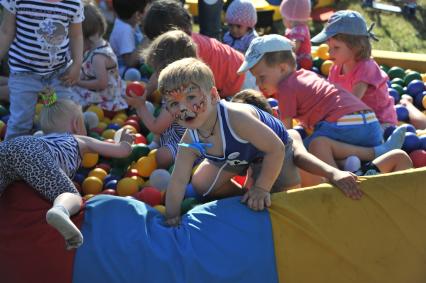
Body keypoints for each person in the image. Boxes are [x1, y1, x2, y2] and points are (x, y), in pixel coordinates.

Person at [159, 58, 302, 226]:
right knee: (203, 185)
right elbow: (178, 180)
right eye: (174, 103)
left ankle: (260, 187)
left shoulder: (236, 119)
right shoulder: (190, 141)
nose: (183, 109)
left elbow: (275, 149)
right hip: (236, 154)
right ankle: (242, 196)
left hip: (270, 151)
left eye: (191, 97)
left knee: (277, 201)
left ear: (213, 96)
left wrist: (262, 188)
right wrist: (171, 217)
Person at [237, 34, 406, 167]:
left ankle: (351, 169)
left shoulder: (286, 88)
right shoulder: (308, 75)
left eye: (261, 77)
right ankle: (349, 164)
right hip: (371, 125)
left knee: (309, 148)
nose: (259, 85)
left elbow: (285, 134)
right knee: (317, 139)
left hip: (347, 124)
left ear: (282, 68)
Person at [0, 90, 134, 250]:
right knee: (72, 196)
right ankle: (60, 210)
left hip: (10, 146)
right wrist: (125, 142)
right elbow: (121, 151)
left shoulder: (42, 138)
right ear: (77, 124)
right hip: (33, 155)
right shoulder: (79, 139)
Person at [0, 0, 84, 139]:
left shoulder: (73, 3)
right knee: (21, 122)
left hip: (58, 74)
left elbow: (76, 35)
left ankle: (61, 155)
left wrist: (77, 63)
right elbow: (6, 31)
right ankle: (11, 157)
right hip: (24, 73)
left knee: (64, 119)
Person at [142, 0, 253, 98]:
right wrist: (145, 93)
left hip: (241, 79)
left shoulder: (185, 50)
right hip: (238, 72)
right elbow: (160, 72)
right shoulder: (181, 42)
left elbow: (185, 91)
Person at [311, 10, 397, 129]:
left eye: (336, 47)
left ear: (356, 47)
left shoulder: (366, 67)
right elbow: (329, 96)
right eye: (329, 47)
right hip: (355, 119)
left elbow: (352, 103)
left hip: (379, 121)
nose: (329, 52)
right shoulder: (336, 68)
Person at [127, 30, 197, 169]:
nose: (155, 74)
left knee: (161, 156)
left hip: (190, 142)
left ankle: (190, 163)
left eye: (158, 70)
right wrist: (145, 92)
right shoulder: (186, 79)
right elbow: (154, 80)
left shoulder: (178, 97)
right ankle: (156, 143)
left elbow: (156, 127)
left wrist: (140, 106)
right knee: (161, 117)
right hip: (177, 130)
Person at [71, 2, 127, 112]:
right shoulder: (98, 45)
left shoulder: (98, 57)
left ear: (86, 38)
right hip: (106, 92)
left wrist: (79, 82)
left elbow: (102, 83)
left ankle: (79, 111)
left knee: (69, 92)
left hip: (104, 99)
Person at [109, 0, 148, 79]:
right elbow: (129, 62)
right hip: (123, 73)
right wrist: (145, 40)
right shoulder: (125, 30)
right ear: (137, 15)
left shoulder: (127, 23)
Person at [279, 0, 312, 69]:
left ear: (290, 19)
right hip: (297, 59)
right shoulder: (295, 29)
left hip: (302, 61)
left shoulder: (298, 30)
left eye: (284, 18)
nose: (283, 20)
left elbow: (294, 47)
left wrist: (283, 57)